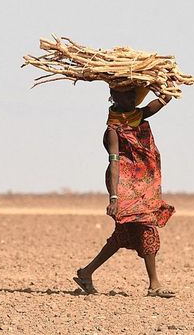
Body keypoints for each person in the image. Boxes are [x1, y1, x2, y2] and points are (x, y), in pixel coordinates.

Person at [73, 85, 175, 297]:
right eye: (123, 95)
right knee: (147, 227)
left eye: (132, 95)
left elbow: (165, 98)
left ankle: (86, 272)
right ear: (113, 97)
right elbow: (115, 164)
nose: (129, 99)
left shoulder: (138, 115)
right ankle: (154, 285)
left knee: (123, 235)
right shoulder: (113, 130)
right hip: (126, 187)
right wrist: (114, 197)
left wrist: (158, 85)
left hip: (145, 185)